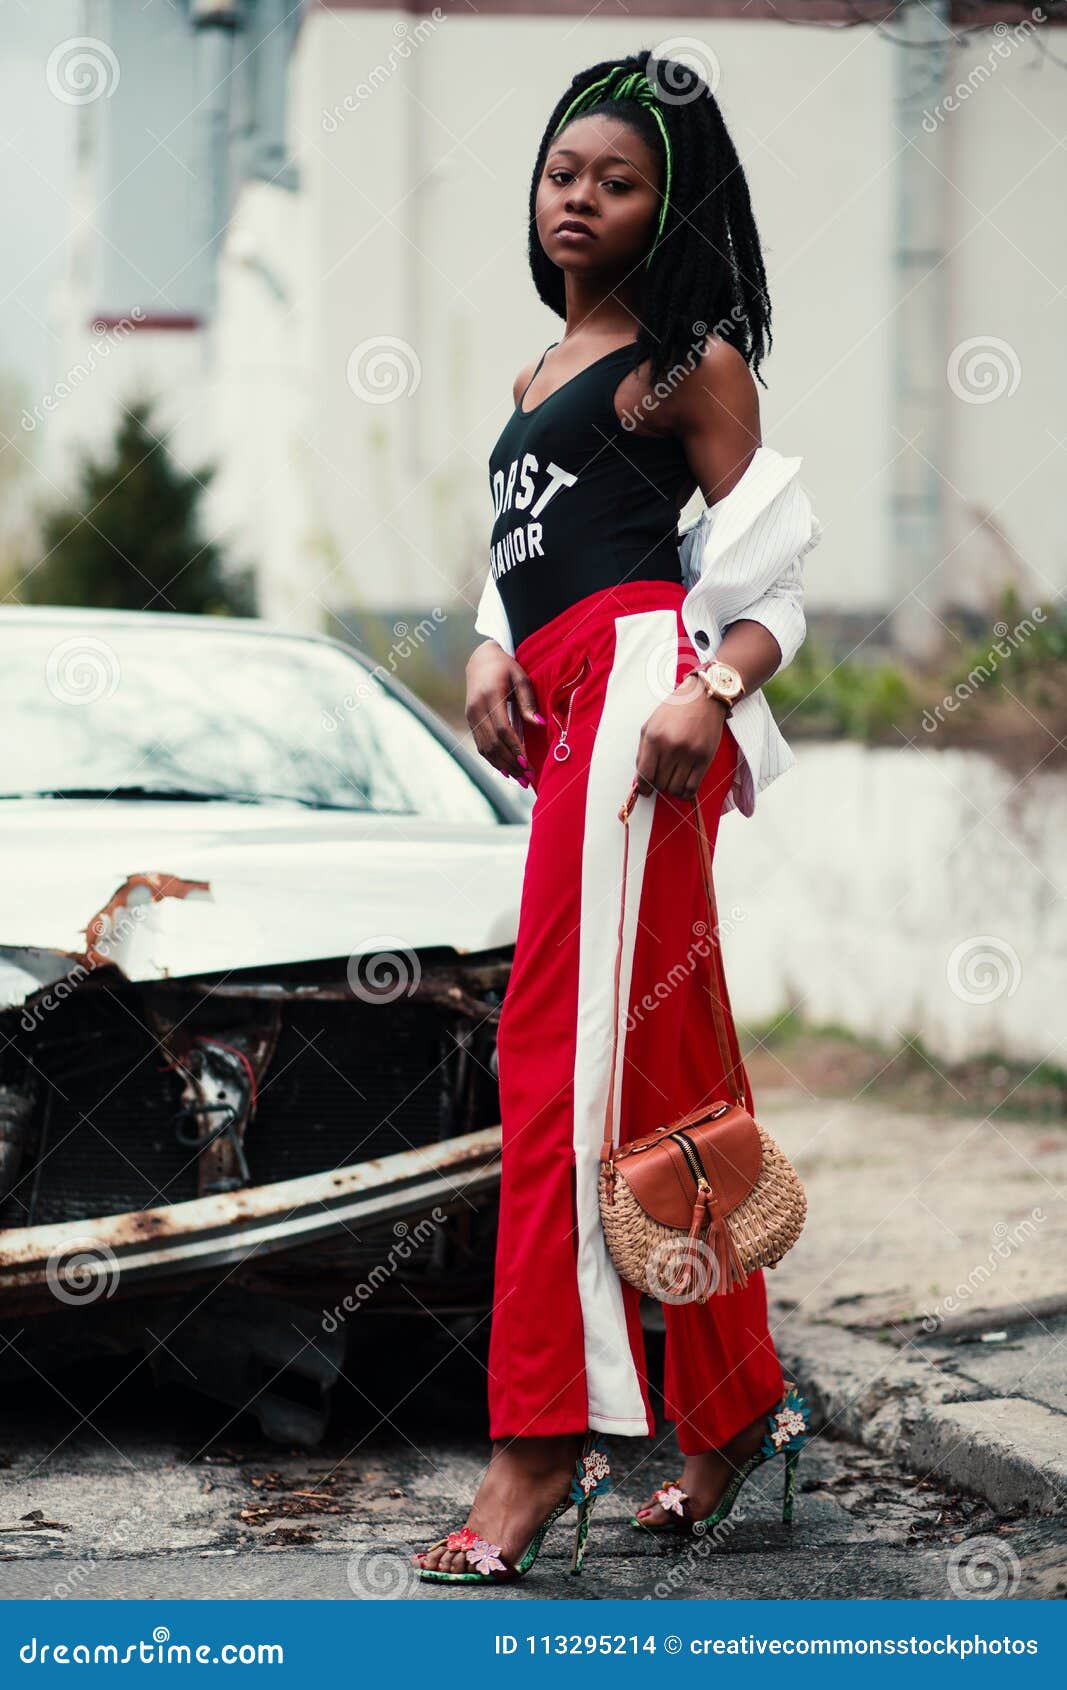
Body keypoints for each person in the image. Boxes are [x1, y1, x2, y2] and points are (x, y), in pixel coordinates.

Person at [415, 49, 820, 1587]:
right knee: (660, 1070)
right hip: (570, 702)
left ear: (670, 206)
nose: (578, 196)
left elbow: (774, 584)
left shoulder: (688, 363)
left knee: (556, 1066)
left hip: (650, 705)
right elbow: (520, 559)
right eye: (562, 172)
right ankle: (730, 1415)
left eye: (619, 179)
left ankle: (539, 1444)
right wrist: (483, 652)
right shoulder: (539, 373)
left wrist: (703, 692)